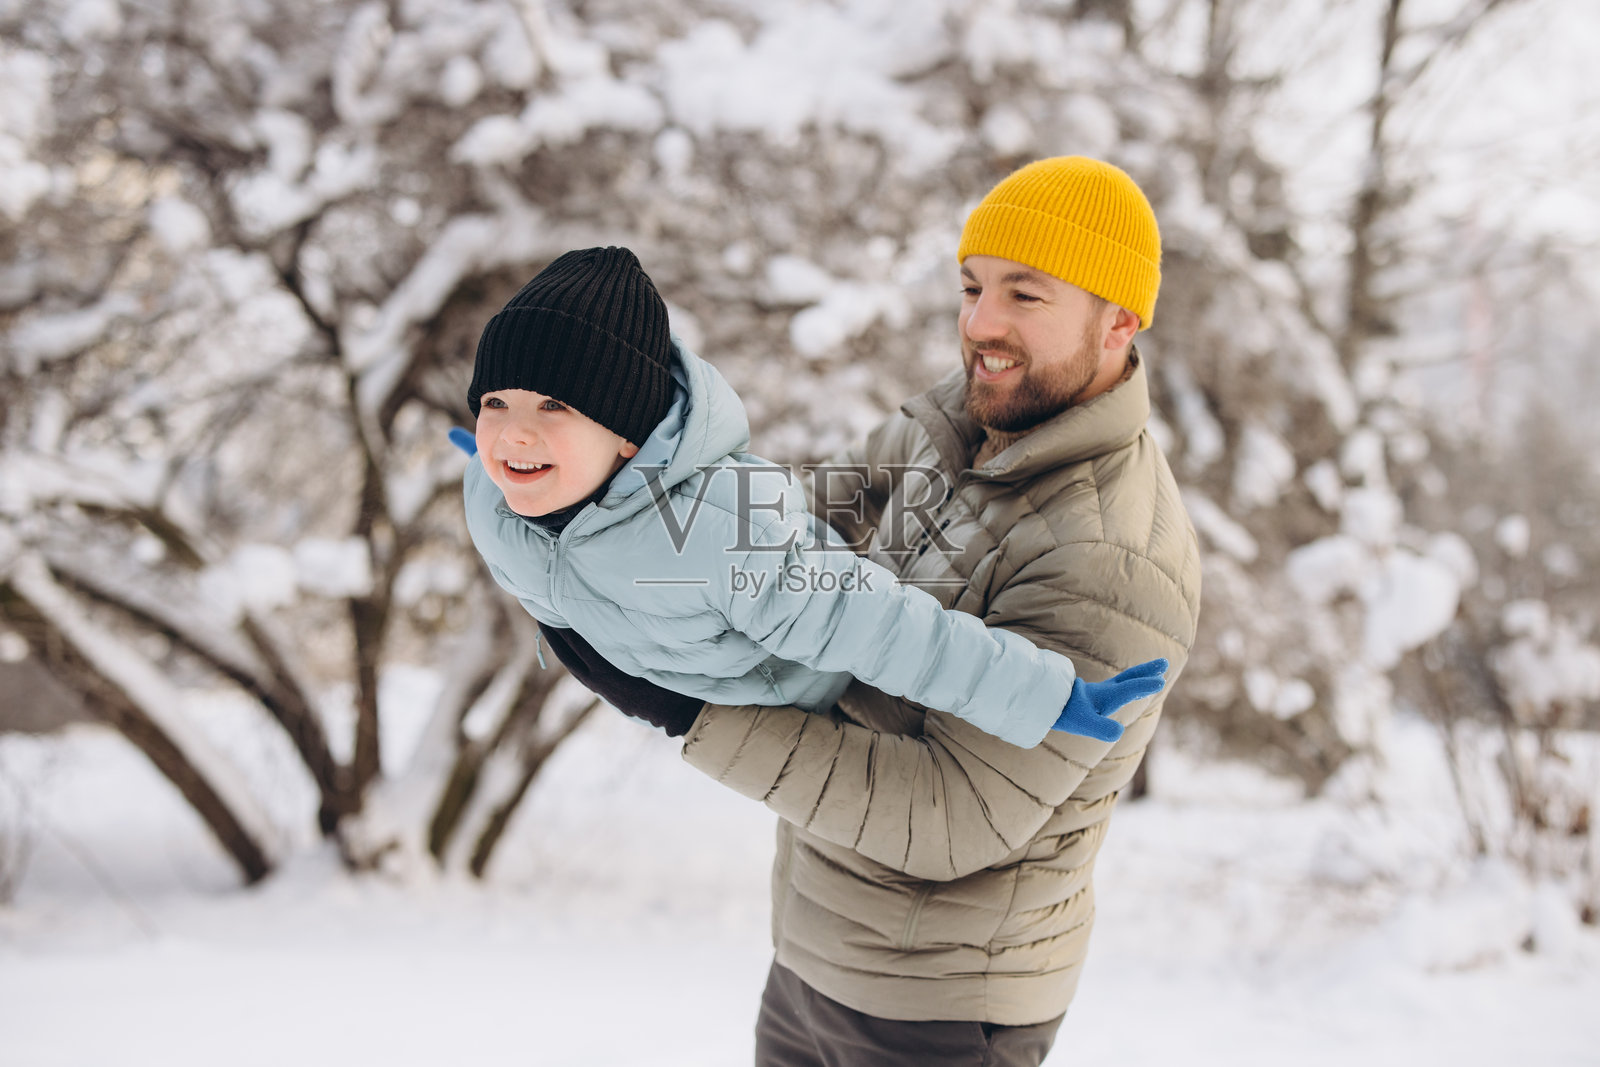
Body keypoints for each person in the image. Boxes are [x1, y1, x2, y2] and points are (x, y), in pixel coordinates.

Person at [555, 156, 1203, 1066]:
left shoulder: (1109, 555)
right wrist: (608, 500)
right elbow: (796, 531)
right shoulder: (961, 423)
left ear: (1118, 322)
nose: (980, 323)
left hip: (940, 1013)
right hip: (814, 952)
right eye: (972, 287)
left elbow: (951, 814)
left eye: (1025, 294)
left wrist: (691, 712)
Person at [458, 245, 1170, 754]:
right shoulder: (493, 496)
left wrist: (1044, 693)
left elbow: (880, 628)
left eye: (554, 406)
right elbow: (506, 464)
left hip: (806, 677)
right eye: (495, 402)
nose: (514, 433)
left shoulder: (715, 533)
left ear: (625, 436)